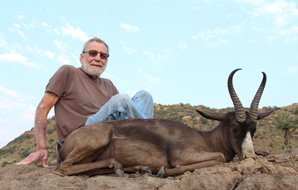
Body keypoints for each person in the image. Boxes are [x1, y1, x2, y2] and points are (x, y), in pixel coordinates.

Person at [17, 37, 154, 167]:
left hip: (105, 132)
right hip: (80, 135)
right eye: (93, 53)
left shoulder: (108, 85)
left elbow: (122, 115)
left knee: (144, 96)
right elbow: (43, 108)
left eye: (103, 56)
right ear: (81, 57)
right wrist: (41, 147)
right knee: (122, 100)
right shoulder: (68, 72)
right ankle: (153, 141)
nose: (98, 58)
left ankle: (141, 146)